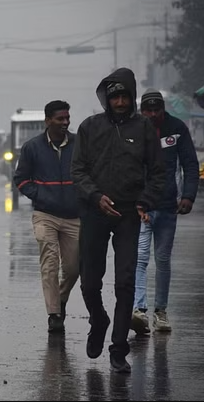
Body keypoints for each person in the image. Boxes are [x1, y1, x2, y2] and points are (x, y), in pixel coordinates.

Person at [71, 67, 165, 374]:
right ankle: (98, 320)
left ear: (132, 96)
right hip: (95, 211)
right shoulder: (89, 127)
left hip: (128, 213)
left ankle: (118, 348)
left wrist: (145, 201)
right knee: (89, 282)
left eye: (125, 96)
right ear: (106, 99)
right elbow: (78, 170)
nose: (121, 102)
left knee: (125, 282)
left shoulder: (144, 129)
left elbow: (158, 172)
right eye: (115, 97)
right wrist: (96, 196)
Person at [130, 89, 199, 335]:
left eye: (155, 110)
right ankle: (139, 310)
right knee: (139, 257)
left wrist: (189, 196)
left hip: (169, 207)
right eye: (147, 111)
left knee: (163, 260)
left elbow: (190, 164)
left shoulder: (177, 128)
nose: (151, 115)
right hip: (141, 207)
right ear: (141, 111)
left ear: (162, 109)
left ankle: (161, 312)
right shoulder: (133, 130)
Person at [13, 100, 79, 333]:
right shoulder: (32, 147)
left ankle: (59, 300)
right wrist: (40, 195)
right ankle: (54, 314)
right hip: (45, 215)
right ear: (48, 120)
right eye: (60, 119)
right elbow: (20, 179)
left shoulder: (79, 145)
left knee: (73, 268)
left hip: (74, 217)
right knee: (49, 264)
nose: (65, 122)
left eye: (67, 118)